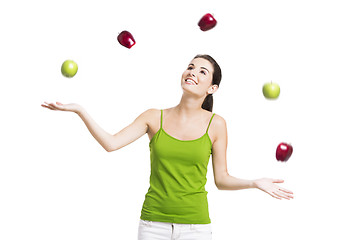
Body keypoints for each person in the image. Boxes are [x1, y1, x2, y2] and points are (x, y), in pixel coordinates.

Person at [41, 54, 294, 240]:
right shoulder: (154, 117)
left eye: (203, 72)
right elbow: (111, 143)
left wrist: (254, 183)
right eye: (190, 67)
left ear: (212, 88)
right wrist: (79, 110)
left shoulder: (216, 125)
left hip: (196, 227)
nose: (192, 72)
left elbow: (221, 179)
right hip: (153, 225)